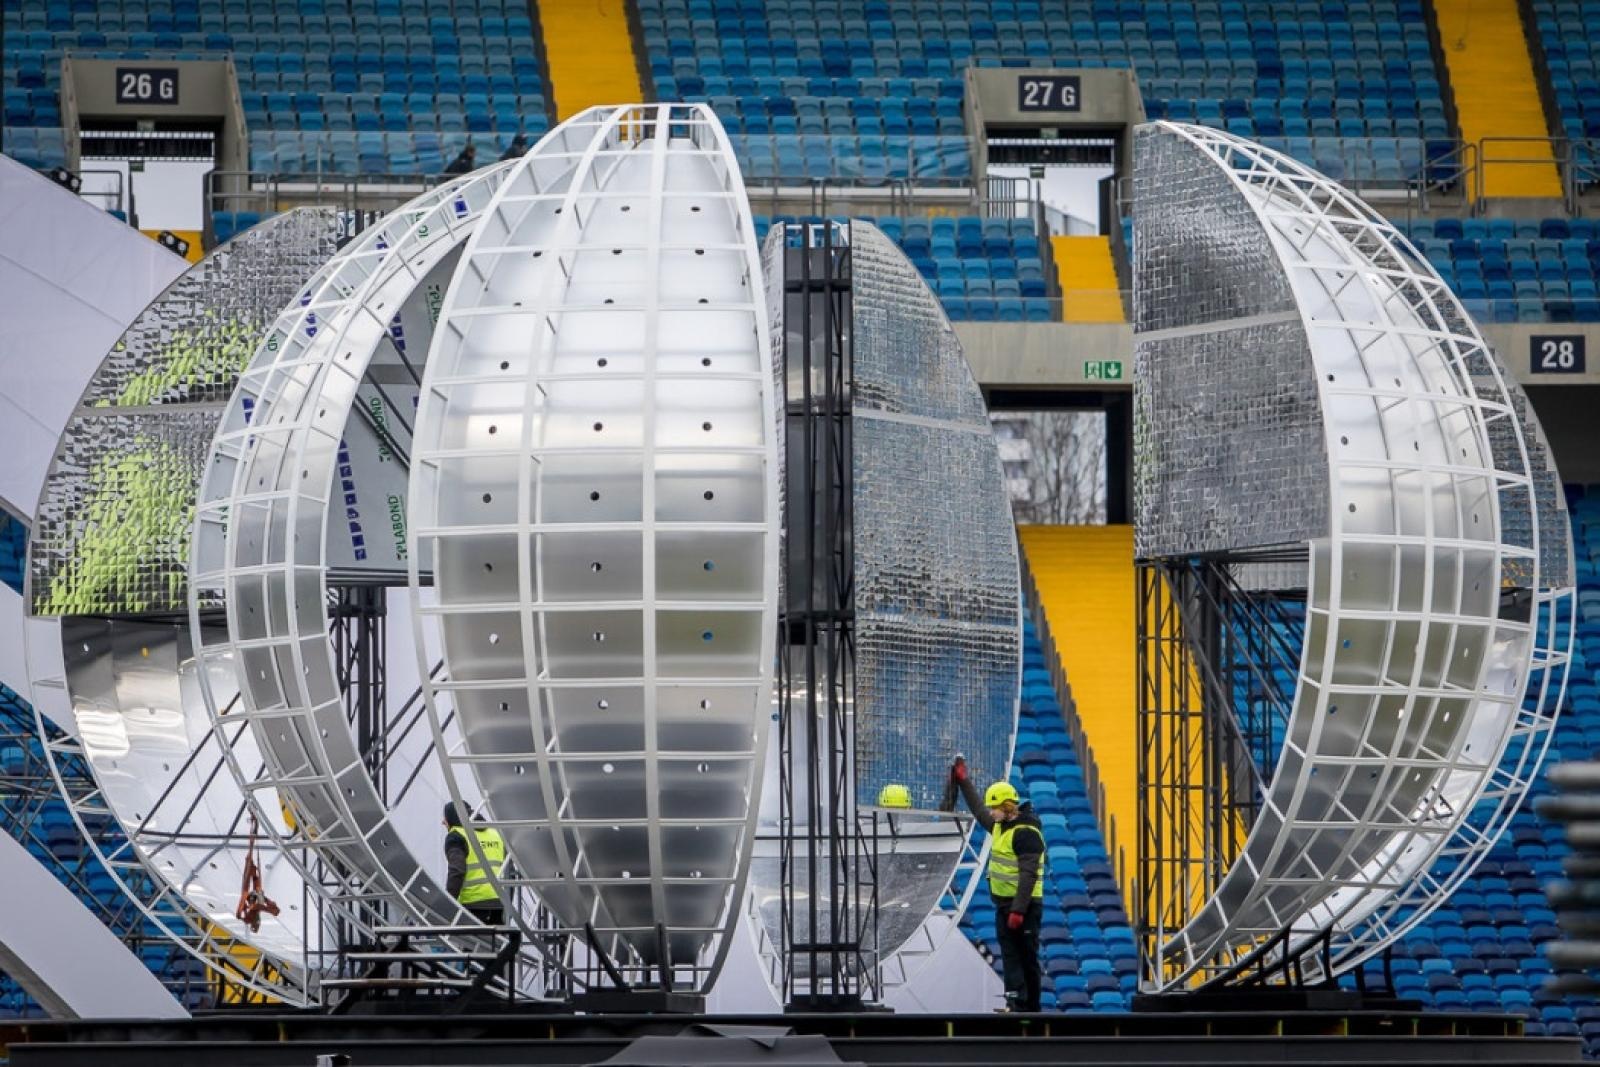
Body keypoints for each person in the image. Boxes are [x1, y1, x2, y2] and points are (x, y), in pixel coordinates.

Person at [950, 757, 1044, 1012]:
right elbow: (979, 810)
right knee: (1011, 954)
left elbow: (1028, 874)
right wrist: (963, 781)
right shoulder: (1001, 825)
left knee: (1027, 956)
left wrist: (1018, 910)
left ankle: (1030, 1006)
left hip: (1024, 907)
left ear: (1007, 806)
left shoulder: (1026, 831)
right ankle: (1015, 1001)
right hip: (1004, 905)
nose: (991, 812)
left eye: (995, 808)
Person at [443, 802, 506, 924]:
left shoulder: (456, 836)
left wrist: (449, 905)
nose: (443, 822)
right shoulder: (495, 833)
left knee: (473, 941)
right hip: (500, 904)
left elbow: (457, 871)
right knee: (498, 942)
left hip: (473, 905)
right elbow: (510, 871)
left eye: (445, 818)